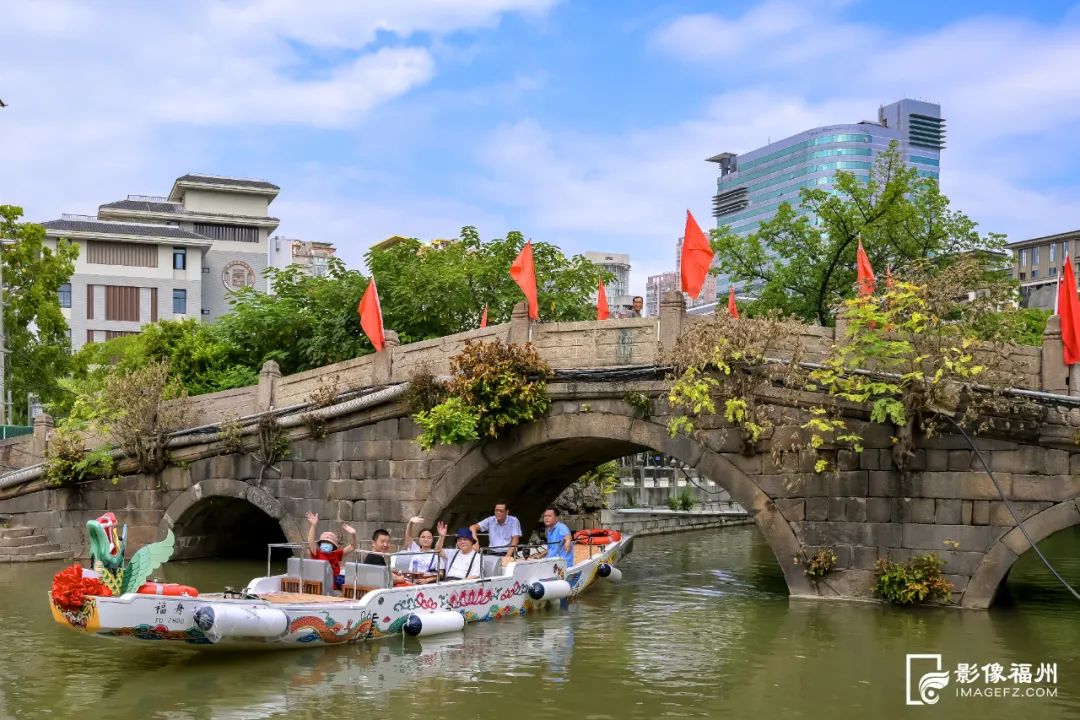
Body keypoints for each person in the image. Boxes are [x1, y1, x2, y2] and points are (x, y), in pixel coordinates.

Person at [305, 511, 356, 591]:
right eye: (323, 542)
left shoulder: (337, 554)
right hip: (320, 589)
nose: (325, 544)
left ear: (333, 546)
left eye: (328, 543)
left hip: (334, 589)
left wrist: (353, 534)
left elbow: (352, 546)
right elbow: (310, 542)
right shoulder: (316, 553)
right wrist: (313, 525)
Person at [402, 516, 443, 583]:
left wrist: (427, 580)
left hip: (424, 583)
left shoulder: (435, 554)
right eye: (423, 537)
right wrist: (410, 523)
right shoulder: (415, 549)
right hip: (409, 580)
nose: (425, 539)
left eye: (429, 537)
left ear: (432, 540)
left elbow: (441, 574)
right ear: (419, 539)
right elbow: (408, 537)